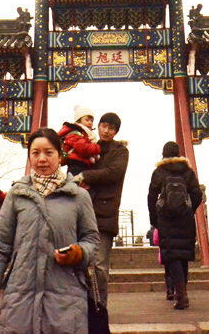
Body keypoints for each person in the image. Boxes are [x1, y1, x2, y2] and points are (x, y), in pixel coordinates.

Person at [0, 127, 100, 333]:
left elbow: (92, 242)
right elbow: (0, 244)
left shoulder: (79, 196)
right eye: (35, 153)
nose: (42, 159)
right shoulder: (16, 194)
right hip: (20, 297)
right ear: (29, 156)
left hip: (66, 299)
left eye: (49, 152)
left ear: (60, 157)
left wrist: (78, 253)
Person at [78, 112, 128, 309]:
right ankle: (83, 307)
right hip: (81, 212)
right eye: (103, 126)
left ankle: (99, 309)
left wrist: (85, 175)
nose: (106, 131)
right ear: (97, 126)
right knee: (80, 263)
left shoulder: (121, 151)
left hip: (105, 214)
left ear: (116, 131)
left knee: (99, 266)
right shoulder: (88, 147)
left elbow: (114, 173)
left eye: (111, 128)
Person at [147, 141, 203, 309]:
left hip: (166, 219)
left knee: (171, 255)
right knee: (183, 255)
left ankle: (180, 294)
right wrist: (188, 209)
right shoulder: (187, 171)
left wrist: (155, 218)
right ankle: (182, 291)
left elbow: (151, 197)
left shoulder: (159, 172)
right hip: (185, 219)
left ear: (163, 154)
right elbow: (197, 194)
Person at [58, 104, 101, 176]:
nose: (90, 123)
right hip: (76, 165)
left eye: (92, 120)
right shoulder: (75, 133)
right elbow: (83, 148)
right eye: (87, 120)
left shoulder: (85, 134)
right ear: (79, 121)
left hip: (82, 165)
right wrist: (98, 148)